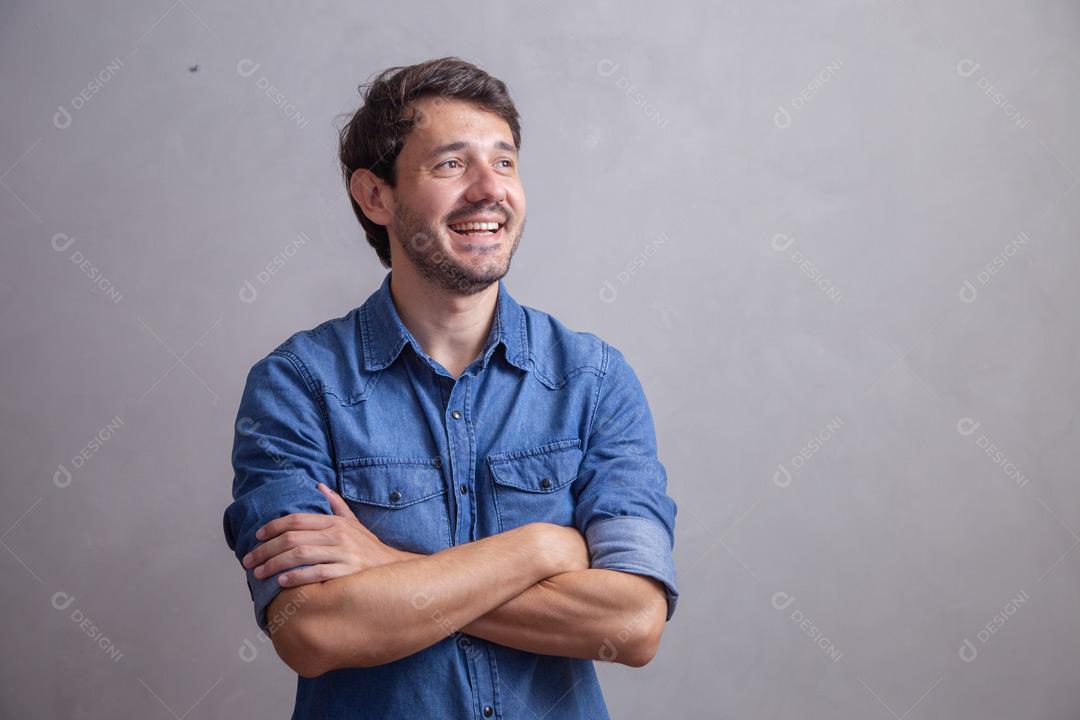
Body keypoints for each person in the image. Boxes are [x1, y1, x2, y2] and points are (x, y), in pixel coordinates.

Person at [223, 56, 679, 719]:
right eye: (450, 164)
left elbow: (633, 625)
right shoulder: (296, 386)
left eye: (504, 162)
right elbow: (313, 631)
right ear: (375, 195)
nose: (489, 190)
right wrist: (542, 548)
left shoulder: (594, 381)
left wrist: (381, 564)